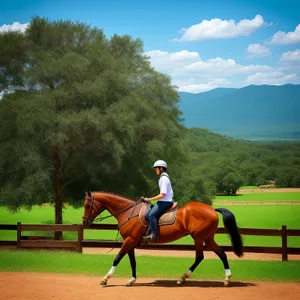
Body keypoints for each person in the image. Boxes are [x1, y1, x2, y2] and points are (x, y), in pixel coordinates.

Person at [142, 160, 174, 242]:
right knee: (146, 215)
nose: (155, 170)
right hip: (162, 201)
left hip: (165, 201)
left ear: (161, 169)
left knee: (152, 215)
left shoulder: (164, 179)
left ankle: (154, 235)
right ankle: (150, 231)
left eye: (156, 168)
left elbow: (163, 194)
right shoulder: (162, 178)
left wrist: (149, 199)